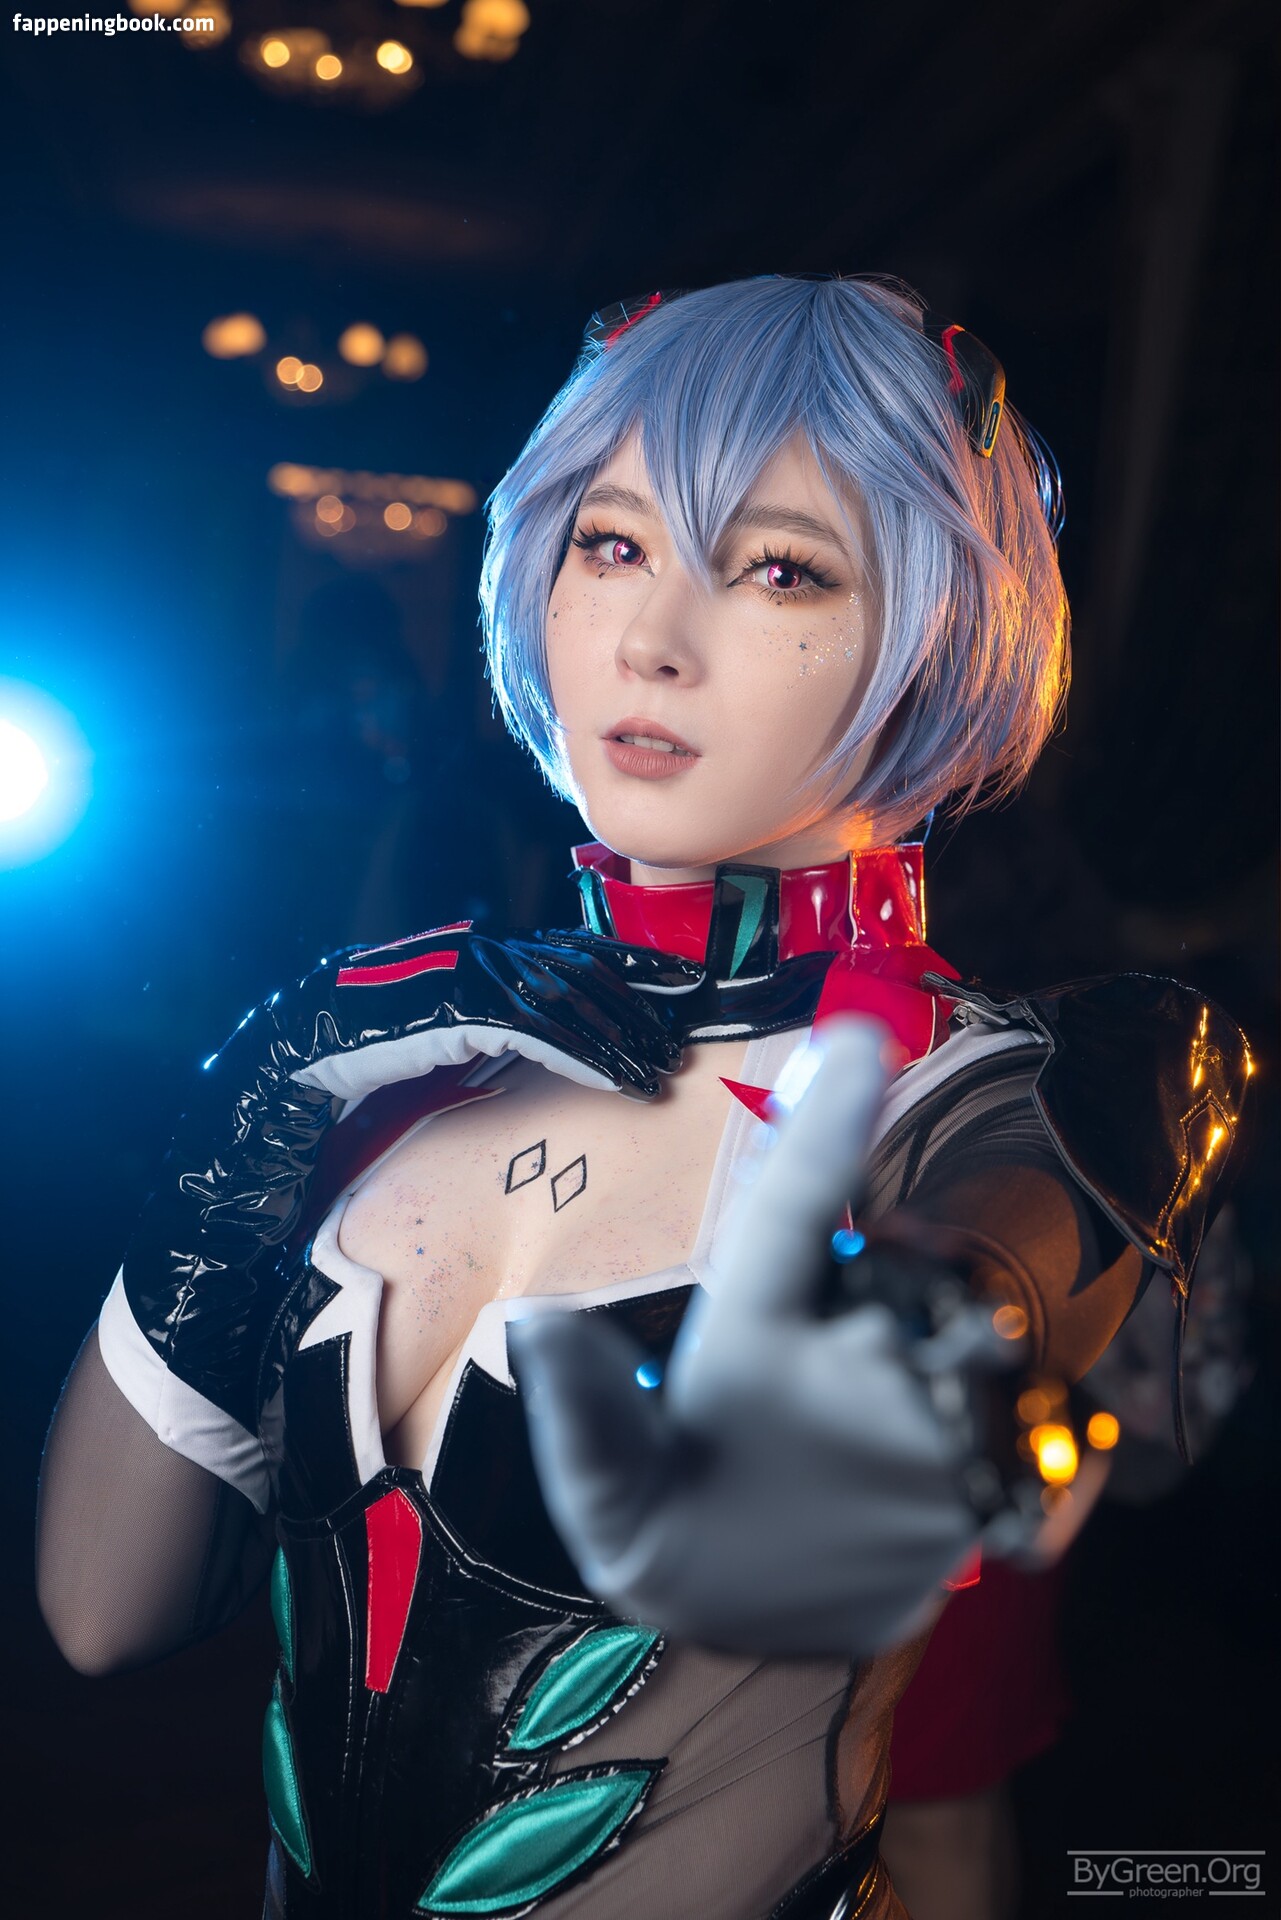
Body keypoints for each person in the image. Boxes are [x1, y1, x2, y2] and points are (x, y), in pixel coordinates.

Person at [35, 276, 1248, 1919]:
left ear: (938, 633)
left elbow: (985, 1273)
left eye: (779, 569)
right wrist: (256, 1098)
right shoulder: (404, 1065)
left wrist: (944, 1319)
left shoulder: (987, 1091)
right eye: (609, 545)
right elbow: (103, 1613)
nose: (651, 638)